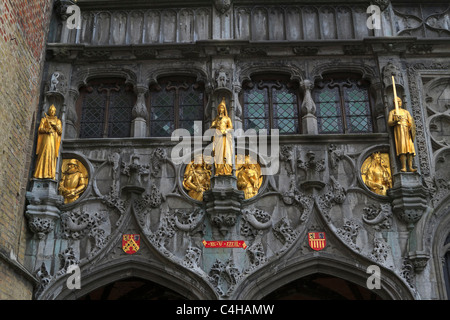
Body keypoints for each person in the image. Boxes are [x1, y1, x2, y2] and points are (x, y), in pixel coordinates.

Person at [387, 97, 417, 172]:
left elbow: (411, 122)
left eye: (399, 101)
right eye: (397, 102)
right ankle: (403, 167)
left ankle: (410, 167)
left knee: (409, 149)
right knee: (402, 149)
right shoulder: (392, 112)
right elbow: (389, 122)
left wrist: (410, 126)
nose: (399, 103)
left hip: (407, 130)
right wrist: (395, 121)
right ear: (394, 103)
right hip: (399, 131)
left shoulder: (406, 112)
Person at [33, 105, 62, 179]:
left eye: (53, 111)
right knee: (44, 152)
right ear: (49, 111)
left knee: (51, 155)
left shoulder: (58, 121)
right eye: (51, 110)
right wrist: (47, 130)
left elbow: (60, 131)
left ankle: (50, 173)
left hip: (53, 139)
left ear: (55, 112)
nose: (52, 112)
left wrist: (55, 126)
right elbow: (40, 129)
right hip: (46, 138)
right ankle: (39, 173)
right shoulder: (44, 119)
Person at [210, 97, 233, 176]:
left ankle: (226, 170)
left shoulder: (227, 119)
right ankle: (218, 170)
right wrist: (215, 125)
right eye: (219, 108)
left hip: (225, 138)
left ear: (224, 109)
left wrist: (225, 131)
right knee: (218, 154)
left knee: (225, 153)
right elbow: (212, 127)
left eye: (222, 108)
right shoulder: (216, 119)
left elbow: (231, 128)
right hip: (218, 138)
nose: (220, 109)